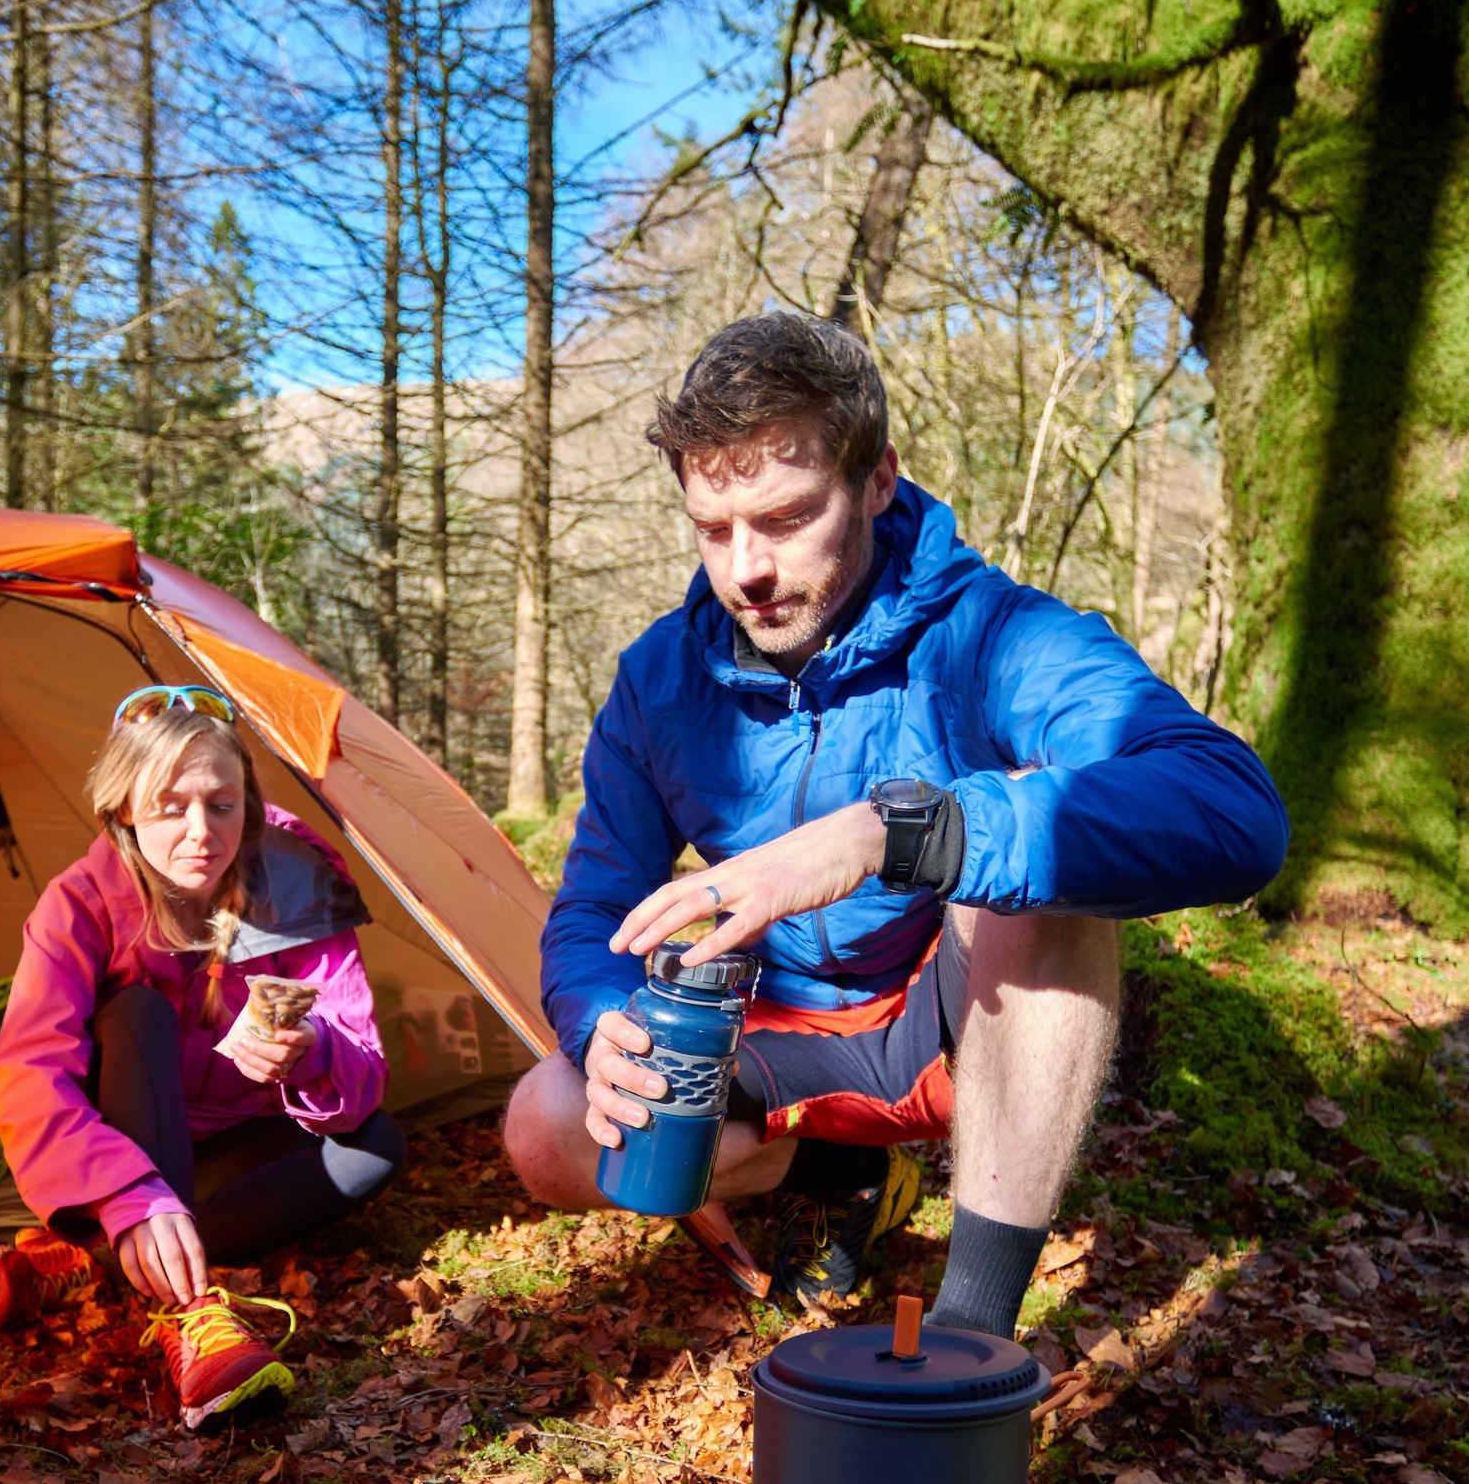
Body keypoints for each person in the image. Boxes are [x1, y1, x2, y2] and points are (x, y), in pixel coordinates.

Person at [506, 313, 1287, 1336]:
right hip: (769, 1029)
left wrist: (894, 833)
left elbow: (1233, 808)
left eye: (784, 518)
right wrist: (598, 1022)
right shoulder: (659, 679)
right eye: (711, 528)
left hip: (950, 1030)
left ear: (876, 482)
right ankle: (841, 1173)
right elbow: (597, 905)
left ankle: (972, 1326)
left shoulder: (993, 634)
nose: (744, 570)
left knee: (1038, 874)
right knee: (544, 1128)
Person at [0, 684, 407, 1423]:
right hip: (133, 1144)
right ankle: (188, 1308)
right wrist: (125, 1193)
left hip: (241, 1137)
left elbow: (363, 1062)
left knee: (376, 1145)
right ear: (124, 812)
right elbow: (32, 1072)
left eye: (221, 803)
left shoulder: (297, 881)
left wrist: (310, 1054)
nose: (200, 831)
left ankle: (97, 1259)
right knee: (136, 1011)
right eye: (169, 806)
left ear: (246, 803)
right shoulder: (81, 902)